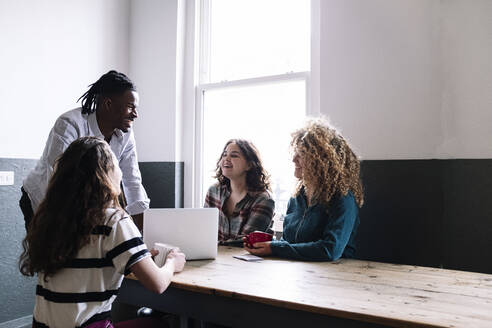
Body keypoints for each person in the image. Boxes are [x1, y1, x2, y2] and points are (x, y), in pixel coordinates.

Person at [19, 137, 186, 328]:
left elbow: (87, 260)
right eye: (116, 163)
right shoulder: (114, 220)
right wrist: (173, 263)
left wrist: (138, 256)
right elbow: (157, 284)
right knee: (157, 324)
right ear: (106, 173)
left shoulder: (50, 217)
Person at [20, 70, 149, 231]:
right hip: (44, 197)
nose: (135, 114)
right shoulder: (70, 124)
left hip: (84, 204)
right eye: (130, 107)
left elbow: (132, 180)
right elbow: (59, 177)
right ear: (108, 104)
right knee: (48, 253)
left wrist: (140, 232)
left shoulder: (126, 133)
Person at [244, 118, 364, 261]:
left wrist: (274, 248)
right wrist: (266, 247)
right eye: (295, 152)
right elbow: (290, 244)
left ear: (322, 160)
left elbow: (330, 250)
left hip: (336, 276)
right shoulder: (296, 197)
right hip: (299, 273)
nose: (294, 159)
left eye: (301, 154)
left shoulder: (343, 198)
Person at [204, 139, 275, 245]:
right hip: (215, 256)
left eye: (234, 156)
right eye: (224, 155)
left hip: (246, 259)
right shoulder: (213, 191)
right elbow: (205, 230)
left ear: (249, 165)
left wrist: (212, 244)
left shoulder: (264, 199)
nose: (226, 159)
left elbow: (245, 242)